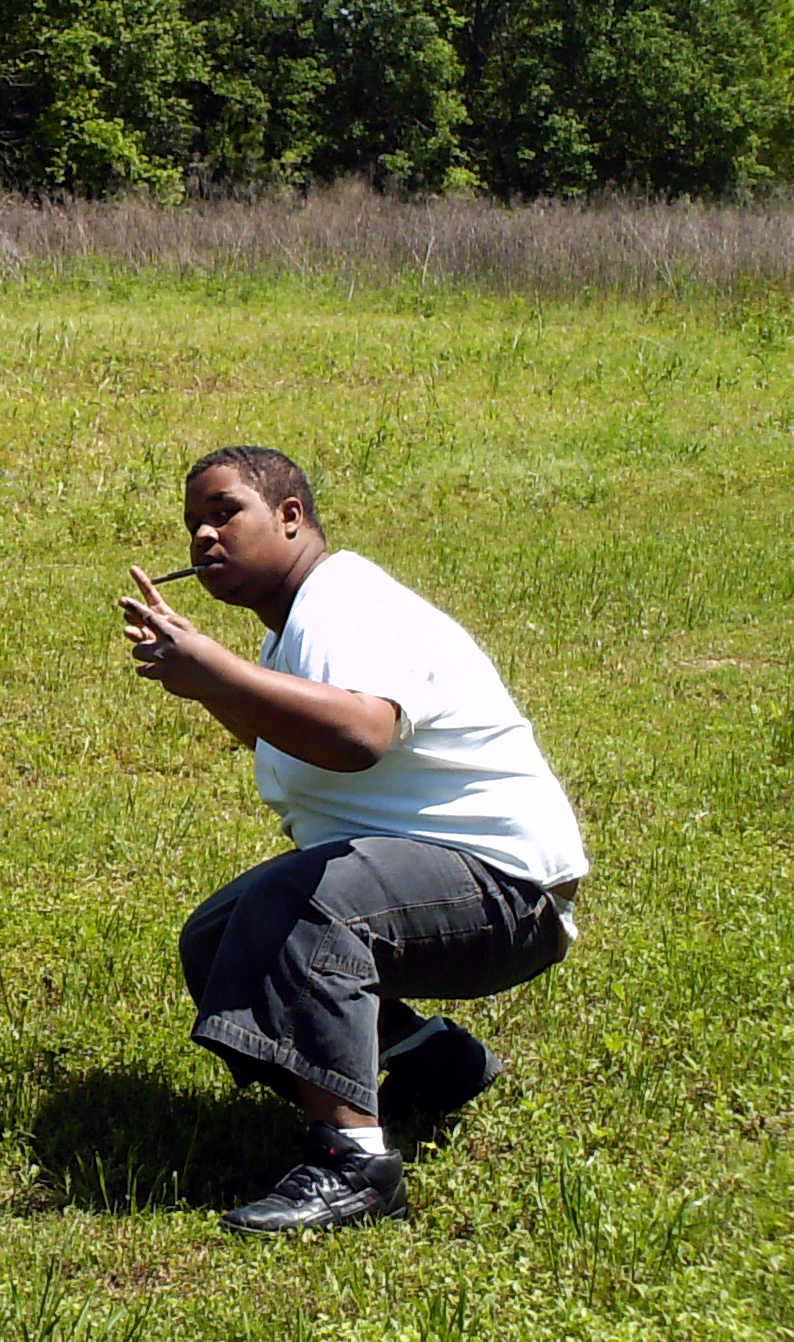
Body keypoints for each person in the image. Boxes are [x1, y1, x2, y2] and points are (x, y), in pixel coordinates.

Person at [120, 445, 586, 1234]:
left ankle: (354, 1166)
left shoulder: (345, 601)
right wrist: (206, 681)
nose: (203, 536)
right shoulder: (293, 632)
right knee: (219, 938)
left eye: (225, 513)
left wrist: (218, 669)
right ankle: (433, 1063)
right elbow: (291, 739)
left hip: (510, 892)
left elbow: (361, 735)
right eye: (193, 522)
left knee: (297, 905)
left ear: (291, 517)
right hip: (445, 884)